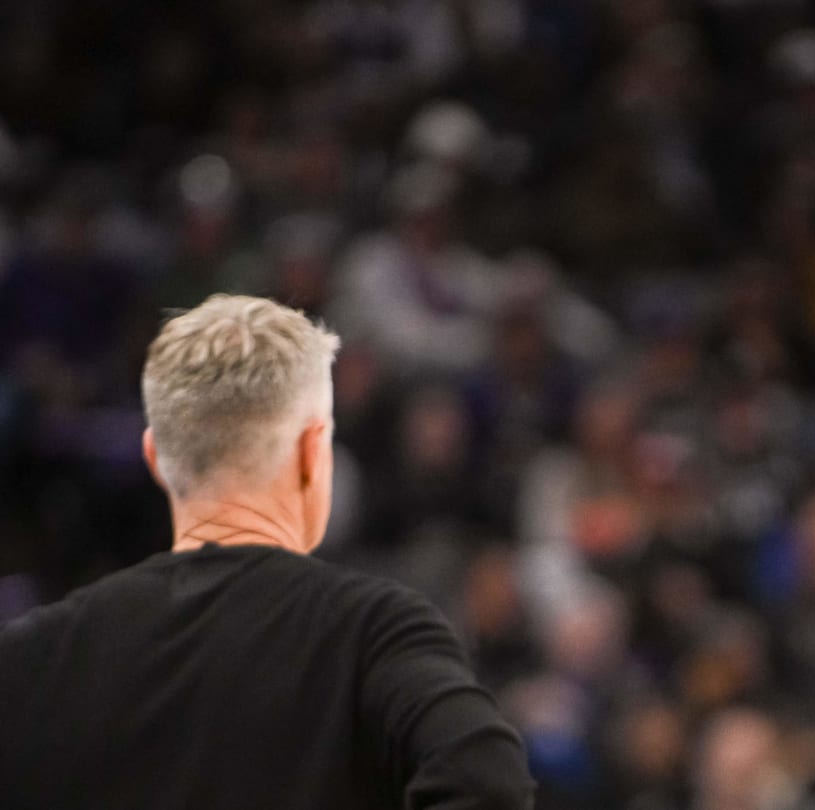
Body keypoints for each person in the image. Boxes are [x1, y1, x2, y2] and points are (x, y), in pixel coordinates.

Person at [0, 294, 535, 809]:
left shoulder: (36, 653)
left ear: (156, 460)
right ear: (311, 449)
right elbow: (488, 783)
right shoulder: (375, 632)